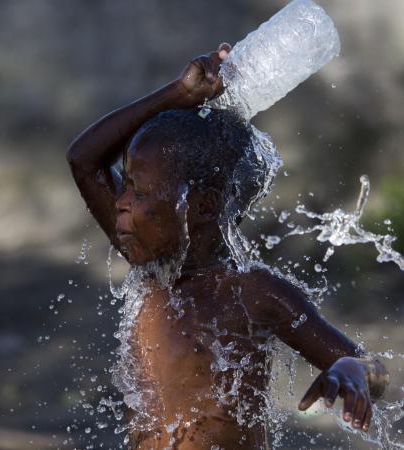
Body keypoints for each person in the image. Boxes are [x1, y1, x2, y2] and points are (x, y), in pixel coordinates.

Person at [67, 43, 389, 449]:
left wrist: (352, 371)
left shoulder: (250, 292)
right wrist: (177, 95)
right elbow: (83, 160)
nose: (123, 203)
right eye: (125, 187)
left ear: (198, 207)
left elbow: (371, 367)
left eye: (138, 190)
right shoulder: (147, 264)